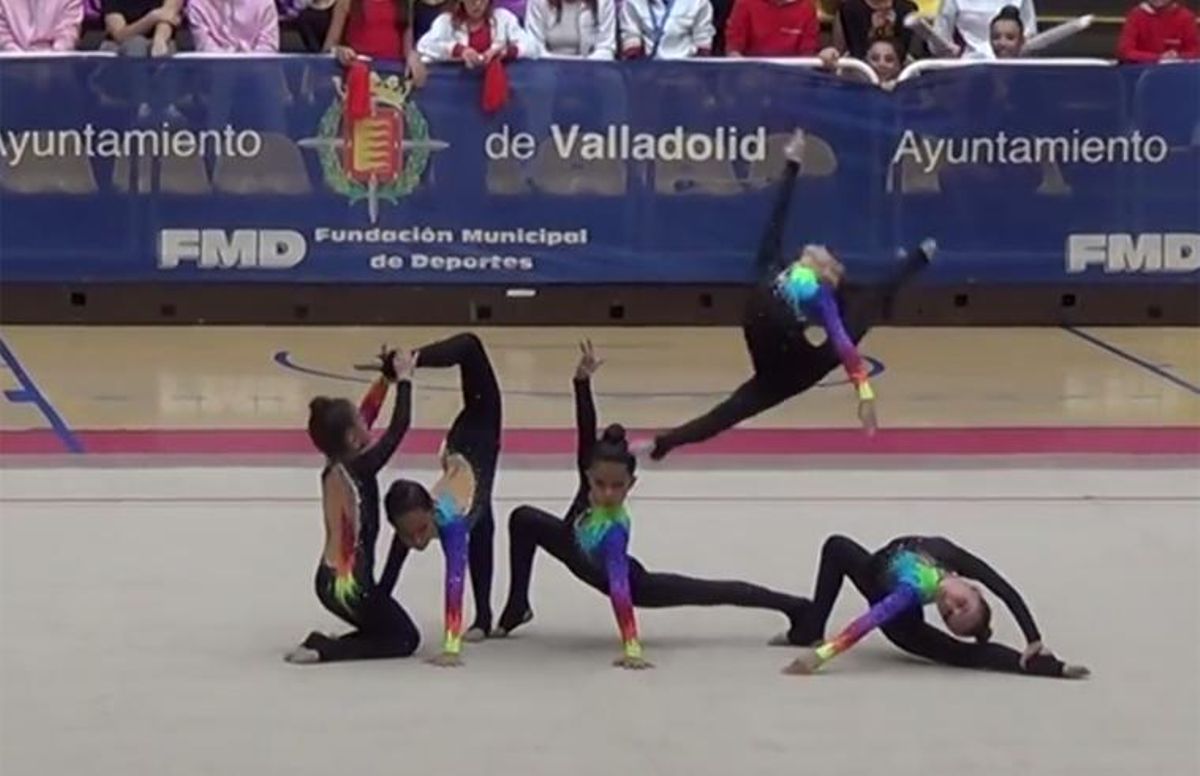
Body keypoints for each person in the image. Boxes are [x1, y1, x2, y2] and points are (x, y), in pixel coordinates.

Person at [495, 341, 814, 670]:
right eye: (599, 484)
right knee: (523, 519)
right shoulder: (589, 470)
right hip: (568, 543)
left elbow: (618, 588)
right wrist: (581, 383)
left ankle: (798, 608)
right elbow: (586, 431)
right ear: (587, 475)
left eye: (617, 486)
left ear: (631, 485)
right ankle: (518, 606)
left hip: (630, 582)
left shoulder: (614, 530)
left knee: (708, 591)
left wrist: (631, 647)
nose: (606, 493)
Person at [645, 130, 934, 461]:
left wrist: (865, 395)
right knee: (726, 413)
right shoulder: (775, 269)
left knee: (859, 316)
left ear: (828, 271)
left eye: (829, 255)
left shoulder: (819, 292)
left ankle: (917, 260)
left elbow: (843, 345)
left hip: (792, 365)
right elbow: (777, 217)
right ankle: (667, 443)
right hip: (772, 348)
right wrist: (793, 164)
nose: (824, 248)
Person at [782, 534, 1091, 678]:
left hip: (900, 624)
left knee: (960, 655)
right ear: (972, 587)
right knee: (836, 547)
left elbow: (869, 621)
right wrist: (1033, 639)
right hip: (871, 574)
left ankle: (1036, 667)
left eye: (947, 615)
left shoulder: (913, 590)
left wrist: (818, 658)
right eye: (962, 605)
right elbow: (1005, 589)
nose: (950, 607)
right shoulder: (949, 553)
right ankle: (811, 627)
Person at [286, 349, 418, 664]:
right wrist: (405, 381)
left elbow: (369, 409)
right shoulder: (361, 467)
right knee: (405, 639)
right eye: (360, 422)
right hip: (348, 588)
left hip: (329, 581)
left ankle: (319, 644)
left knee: (384, 630)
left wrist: (384, 380)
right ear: (351, 436)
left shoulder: (338, 463)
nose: (366, 420)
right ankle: (324, 650)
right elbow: (399, 427)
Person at [377, 333, 502, 645]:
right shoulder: (410, 518)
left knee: (471, 345)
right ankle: (485, 618)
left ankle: (410, 357)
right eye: (407, 535)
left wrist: (451, 646)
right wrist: (372, 616)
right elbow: (385, 584)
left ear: (431, 510)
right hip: (464, 459)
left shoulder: (449, 522)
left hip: (477, 429)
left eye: (419, 530)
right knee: (483, 516)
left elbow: (454, 580)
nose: (417, 540)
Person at [325, 0, 428, 86]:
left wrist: (412, 57)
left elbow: (407, 41)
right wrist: (340, 51)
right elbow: (329, 47)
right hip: (359, 78)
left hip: (394, 80)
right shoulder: (347, 2)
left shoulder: (403, 3)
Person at [416, 0, 535, 64]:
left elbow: (532, 47)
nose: (477, 4)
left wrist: (506, 52)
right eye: (472, 0)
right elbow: (423, 45)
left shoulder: (504, 18)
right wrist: (459, 50)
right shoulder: (446, 21)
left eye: (482, 0)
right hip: (457, 93)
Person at [934, 0, 1035, 58]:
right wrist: (949, 52)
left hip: (1012, 67)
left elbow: (1029, 35)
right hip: (968, 66)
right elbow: (940, 37)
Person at [620, 0, 715, 59]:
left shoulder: (699, 2)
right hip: (649, 72)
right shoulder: (631, 3)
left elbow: (703, 48)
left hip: (686, 72)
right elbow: (631, 43)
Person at [723, 0, 819, 58]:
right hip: (750, 76)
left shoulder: (807, 8)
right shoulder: (745, 3)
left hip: (792, 77)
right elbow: (733, 48)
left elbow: (807, 54)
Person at [524, 0, 617, 59]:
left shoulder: (604, 2)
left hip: (590, 71)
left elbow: (606, 49)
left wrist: (582, 65)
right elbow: (534, 48)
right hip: (548, 71)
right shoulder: (537, 2)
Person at [830, 0, 919, 60]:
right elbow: (838, 54)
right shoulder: (849, 9)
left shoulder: (908, 10)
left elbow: (911, 56)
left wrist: (891, 31)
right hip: (859, 76)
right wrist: (872, 32)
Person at [1117, 0, 1198, 63]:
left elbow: (1196, 52)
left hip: (1176, 73)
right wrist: (1159, 58)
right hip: (1141, 73)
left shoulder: (1186, 17)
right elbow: (1125, 52)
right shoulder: (1136, 15)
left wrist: (1177, 56)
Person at [188, 0, 280, 52]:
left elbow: (268, 51)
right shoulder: (197, 4)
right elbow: (205, 51)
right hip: (214, 78)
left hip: (261, 77)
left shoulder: (265, 3)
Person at [100, 0, 181, 56]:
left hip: (162, 37)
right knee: (136, 44)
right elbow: (119, 35)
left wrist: (159, 39)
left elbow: (169, 17)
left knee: (163, 51)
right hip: (120, 44)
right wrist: (152, 18)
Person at [0, 0, 84, 51]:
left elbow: (67, 38)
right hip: (11, 71)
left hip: (57, 70)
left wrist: (46, 65)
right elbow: (4, 41)